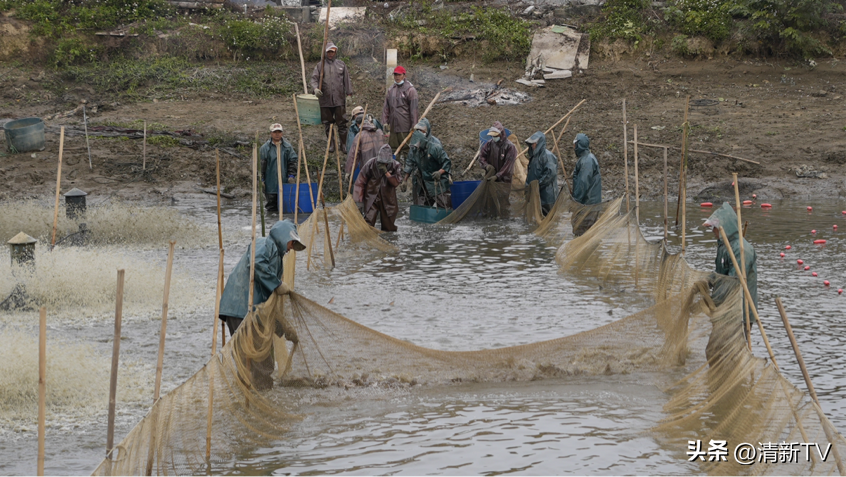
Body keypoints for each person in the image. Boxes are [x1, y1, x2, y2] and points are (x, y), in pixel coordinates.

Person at [218, 220, 306, 391]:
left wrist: (285, 330)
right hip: (241, 308)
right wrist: (277, 283)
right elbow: (256, 263)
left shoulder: (276, 256)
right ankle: (262, 397)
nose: (290, 248)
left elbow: (269, 304)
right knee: (255, 360)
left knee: (256, 359)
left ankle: (254, 397)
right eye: (291, 242)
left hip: (250, 311)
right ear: (283, 236)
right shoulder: (265, 244)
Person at [704, 202, 758, 327]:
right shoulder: (724, 246)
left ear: (724, 227)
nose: (713, 231)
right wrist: (707, 280)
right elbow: (721, 274)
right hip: (727, 308)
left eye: (715, 227)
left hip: (740, 310)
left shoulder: (741, 250)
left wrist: (714, 301)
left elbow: (733, 281)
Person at [310, 41, 353, 153]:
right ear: (325, 52)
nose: (330, 54)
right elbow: (314, 79)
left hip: (339, 100)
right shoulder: (320, 65)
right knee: (328, 124)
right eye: (328, 52)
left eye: (332, 52)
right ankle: (331, 144)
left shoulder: (341, 65)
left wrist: (349, 94)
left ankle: (344, 145)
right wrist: (315, 89)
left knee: (342, 124)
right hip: (325, 100)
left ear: (335, 52)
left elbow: (346, 80)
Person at [402, 118, 451, 208]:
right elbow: (410, 162)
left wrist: (440, 172)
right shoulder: (414, 146)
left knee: (444, 206)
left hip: (435, 179)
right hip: (421, 180)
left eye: (422, 131)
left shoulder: (435, 146)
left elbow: (447, 162)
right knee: (420, 207)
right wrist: (405, 180)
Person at [354, 144, 403, 231]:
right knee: (368, 224)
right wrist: (359, 200)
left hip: (388, 198)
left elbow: (396, 183)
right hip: (372, 197)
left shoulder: (396, 165)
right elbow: (360, 182)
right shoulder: (371, 163)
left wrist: (386, 172)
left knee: (389, 228)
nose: (383, 163)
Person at [259, 123, 298, 213]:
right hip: (270, 183)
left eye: (279, 132)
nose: (277, 134)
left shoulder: (287, 147)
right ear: (271, 133)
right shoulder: (264, 148)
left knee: (285, 206)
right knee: (271, 207)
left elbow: (292, 162)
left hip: (285, 182)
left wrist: (291, 176)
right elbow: (261, 165)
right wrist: (261, 179)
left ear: (282, 133)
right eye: (275, 132)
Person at [381, 66, 418, 159]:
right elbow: (386, 107)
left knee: (406, 148)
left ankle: (407, 170)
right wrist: (385, 122)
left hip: (405, 125)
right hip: (393, 125)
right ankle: (394, 168)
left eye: (399, 75)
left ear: (404, 75)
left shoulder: (410, 90)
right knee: (393, 148)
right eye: (395, 75)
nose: (397, 77)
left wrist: (414, 125)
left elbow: (414, 109)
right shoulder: (391, 90)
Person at [571, 133, 602, 236]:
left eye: (575, 144)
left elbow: (583, 183)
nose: (573, 147)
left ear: (579, 145)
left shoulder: (587, 160)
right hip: (588, 204)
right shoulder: (585, 159)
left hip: (588, 205)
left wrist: (576, 201)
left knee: (582, 232)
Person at [524, 131, 558, 216]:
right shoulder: (534, 157)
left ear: (539, 143)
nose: (532, 146)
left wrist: (537, 184)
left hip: (547, 197)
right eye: (531, 144)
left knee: (548, 220)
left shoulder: (547, 156)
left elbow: (550, 174)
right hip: (536, 195)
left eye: (534, 143)